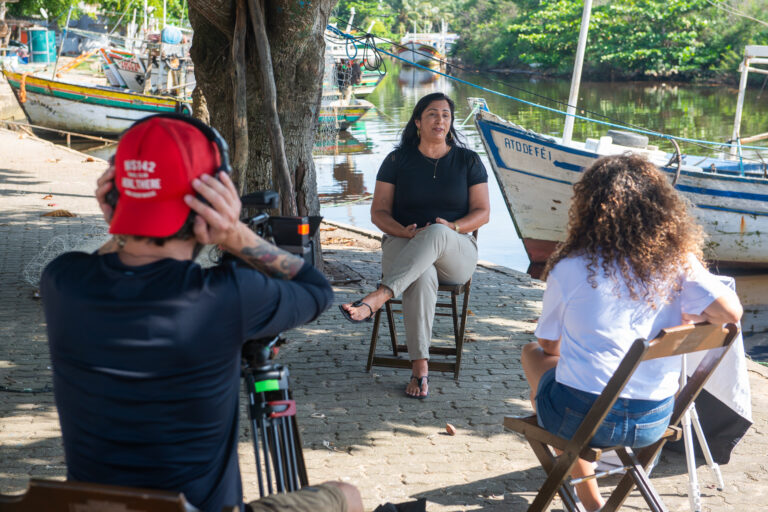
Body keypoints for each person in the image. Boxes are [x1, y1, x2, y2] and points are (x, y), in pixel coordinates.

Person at [41, 115, 362, 512]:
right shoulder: (226, 297)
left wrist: (123, 219)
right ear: (210, 204)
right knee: (346, 496)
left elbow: (111, 264)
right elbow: (316, 290)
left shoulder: (61, 281)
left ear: (112, 196)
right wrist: (233, 234)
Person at [520, 153, 743, 512]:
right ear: (658, 209)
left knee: (534, 354)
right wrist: (686, 320)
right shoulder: (676, 262)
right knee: (574, 386)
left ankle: (587, 493)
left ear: (589, 207)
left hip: (585, 418)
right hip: (652, 421)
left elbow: (549, 345)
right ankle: (586, 484)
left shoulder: (571, 267)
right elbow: (731, 314)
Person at [339, 92, 490, 398]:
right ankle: (420, 371)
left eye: (446, 114)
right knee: (420, 275)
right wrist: (405, 233)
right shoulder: (397, 160)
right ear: (418, 121)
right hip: (403, 243)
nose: (441, 120)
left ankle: (378, 296)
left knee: (435, 231)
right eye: (433, 114)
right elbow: (378, 212)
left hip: (455, 249)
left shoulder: (468, 160)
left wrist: (452, 227)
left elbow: (483, 212)